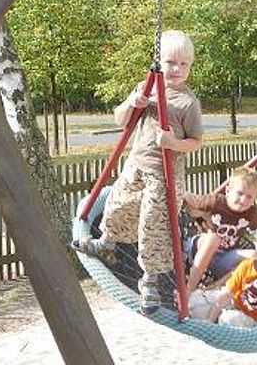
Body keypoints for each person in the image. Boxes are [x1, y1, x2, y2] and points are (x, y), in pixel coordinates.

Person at [73, 30, 203, 315]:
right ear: (158, 62)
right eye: (171, 62)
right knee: (117, 206)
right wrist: (133, 102)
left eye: (184, 64)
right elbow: (121, 120)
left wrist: (173, 144)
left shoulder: (188, 103)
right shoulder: (148, 89)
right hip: (136, 167)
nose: (177, 69)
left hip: (164, 178)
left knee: (152, 228)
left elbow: (195, 142)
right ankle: (106, 244)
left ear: (190, 66)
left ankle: (151, 282)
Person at [190, 220, 257, 345]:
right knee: (195, 300)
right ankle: (214, 319)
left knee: (228, 319)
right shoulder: (247, 266)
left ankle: (220, 322)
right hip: (235, 302)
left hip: (254, 317)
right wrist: (210, 319)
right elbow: (227, 294)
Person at [182, 167, 257, 300]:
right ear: (228, 190)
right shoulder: (216, 202)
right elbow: (189, 199)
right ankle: (189, 289)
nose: (243, 200)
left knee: (254, 256)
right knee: (214, 239)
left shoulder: (254, 214)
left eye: (249, 196)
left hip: (224, 258)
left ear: (255, 198)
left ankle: (216, 286)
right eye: (239, 193)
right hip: (199, 249)